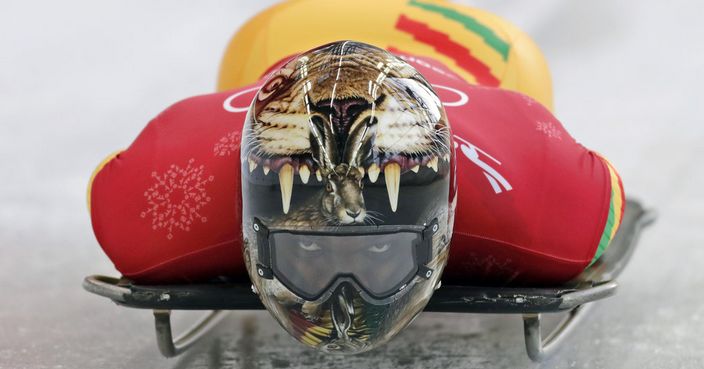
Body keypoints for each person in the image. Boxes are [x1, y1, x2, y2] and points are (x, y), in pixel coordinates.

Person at [88, 1, 624, 353]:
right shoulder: (550, 218)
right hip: (307, 49)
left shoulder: (537, 201)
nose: (340, 306)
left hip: (444, 48)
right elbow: (611, 186)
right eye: (308, 256)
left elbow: (102, 179)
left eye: (376, 256)